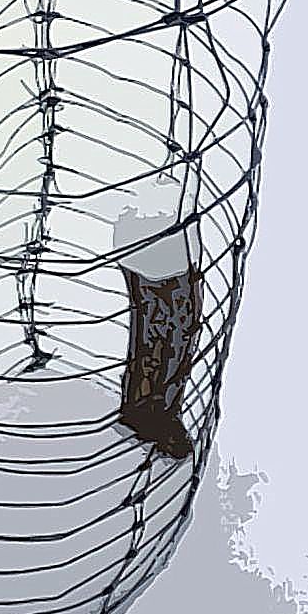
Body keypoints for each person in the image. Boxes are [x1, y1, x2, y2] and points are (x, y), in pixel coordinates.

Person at [112, 173, 203, 461]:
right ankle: (154, 415)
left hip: (149, 233)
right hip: (161, 238)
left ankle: (145, 410)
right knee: (174, 332)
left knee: (156, 330)